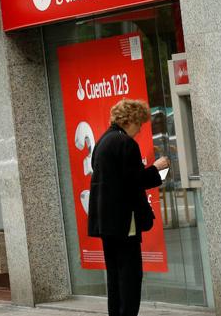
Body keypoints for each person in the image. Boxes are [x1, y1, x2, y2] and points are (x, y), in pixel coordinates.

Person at [88, 100, 169, 316]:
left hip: (106, 223)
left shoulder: (102, 141)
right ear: (131, 120)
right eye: (140, 123)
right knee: (130, 276)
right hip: (125, 222)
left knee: (114, 276)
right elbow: (135, 181)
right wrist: (157, 169)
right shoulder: (126, 144)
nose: (141, 129)